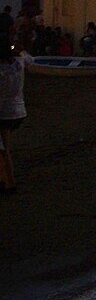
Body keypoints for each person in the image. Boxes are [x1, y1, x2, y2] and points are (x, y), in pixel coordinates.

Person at [0, 40, 34, 192]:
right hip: (19, 111)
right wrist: (20, 50)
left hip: (4, 113)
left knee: (4, 150)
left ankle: (10, 181)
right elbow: (30, 60)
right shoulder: (18, 64)